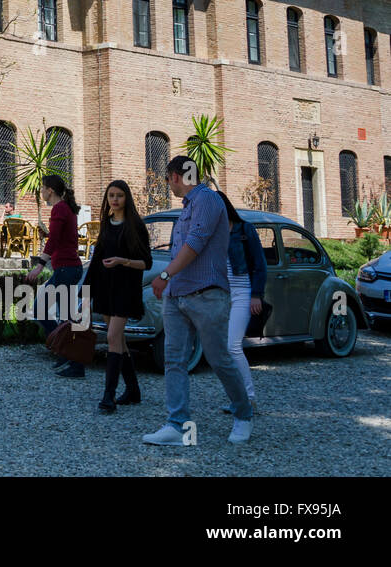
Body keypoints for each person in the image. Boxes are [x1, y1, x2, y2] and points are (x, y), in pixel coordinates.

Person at [142, 156, 252, 446]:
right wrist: (170, 284)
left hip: (207, 295)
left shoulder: (207, 200)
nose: (169, 186)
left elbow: (195, 244)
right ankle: (177, 425)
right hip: (177, 297)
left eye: (168, 179)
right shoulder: (188, 207)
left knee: (219, 359)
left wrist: (163, 275)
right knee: (174, 361)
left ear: (176, 177)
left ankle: (243, 413)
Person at [84, 180, 152, 413]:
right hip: (105, 288)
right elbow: (95, 261)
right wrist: (86, 292)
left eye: (119, 195)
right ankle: (133, 390)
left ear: (126, 198)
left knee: (113, 337)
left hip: (125, 289)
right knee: (119, 341)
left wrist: (123, 261)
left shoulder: (136, 226)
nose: (115, 199)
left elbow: (146, 263)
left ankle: (108, 396)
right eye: (111, 195)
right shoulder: (106, 224)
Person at [26, 174, 85, 377]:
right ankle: (69, 356)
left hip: (67, 270)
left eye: (42, 188)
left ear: (50, 190)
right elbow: (61, 238)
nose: (41, 191)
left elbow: (54, 243)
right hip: (69, 269)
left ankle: (68, 355)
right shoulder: (65, 208)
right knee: (67, 316)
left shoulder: (59, 208)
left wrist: (39, 266)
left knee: (42, 309)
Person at [217, 189, 267, 416]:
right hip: (222, 294)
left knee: (233, 346)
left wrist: (256, 294)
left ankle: (249, 399)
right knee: (224, 349)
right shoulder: (213, 232)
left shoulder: (245, 229)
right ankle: (238, 400)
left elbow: (260, 264)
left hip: (242, 292)